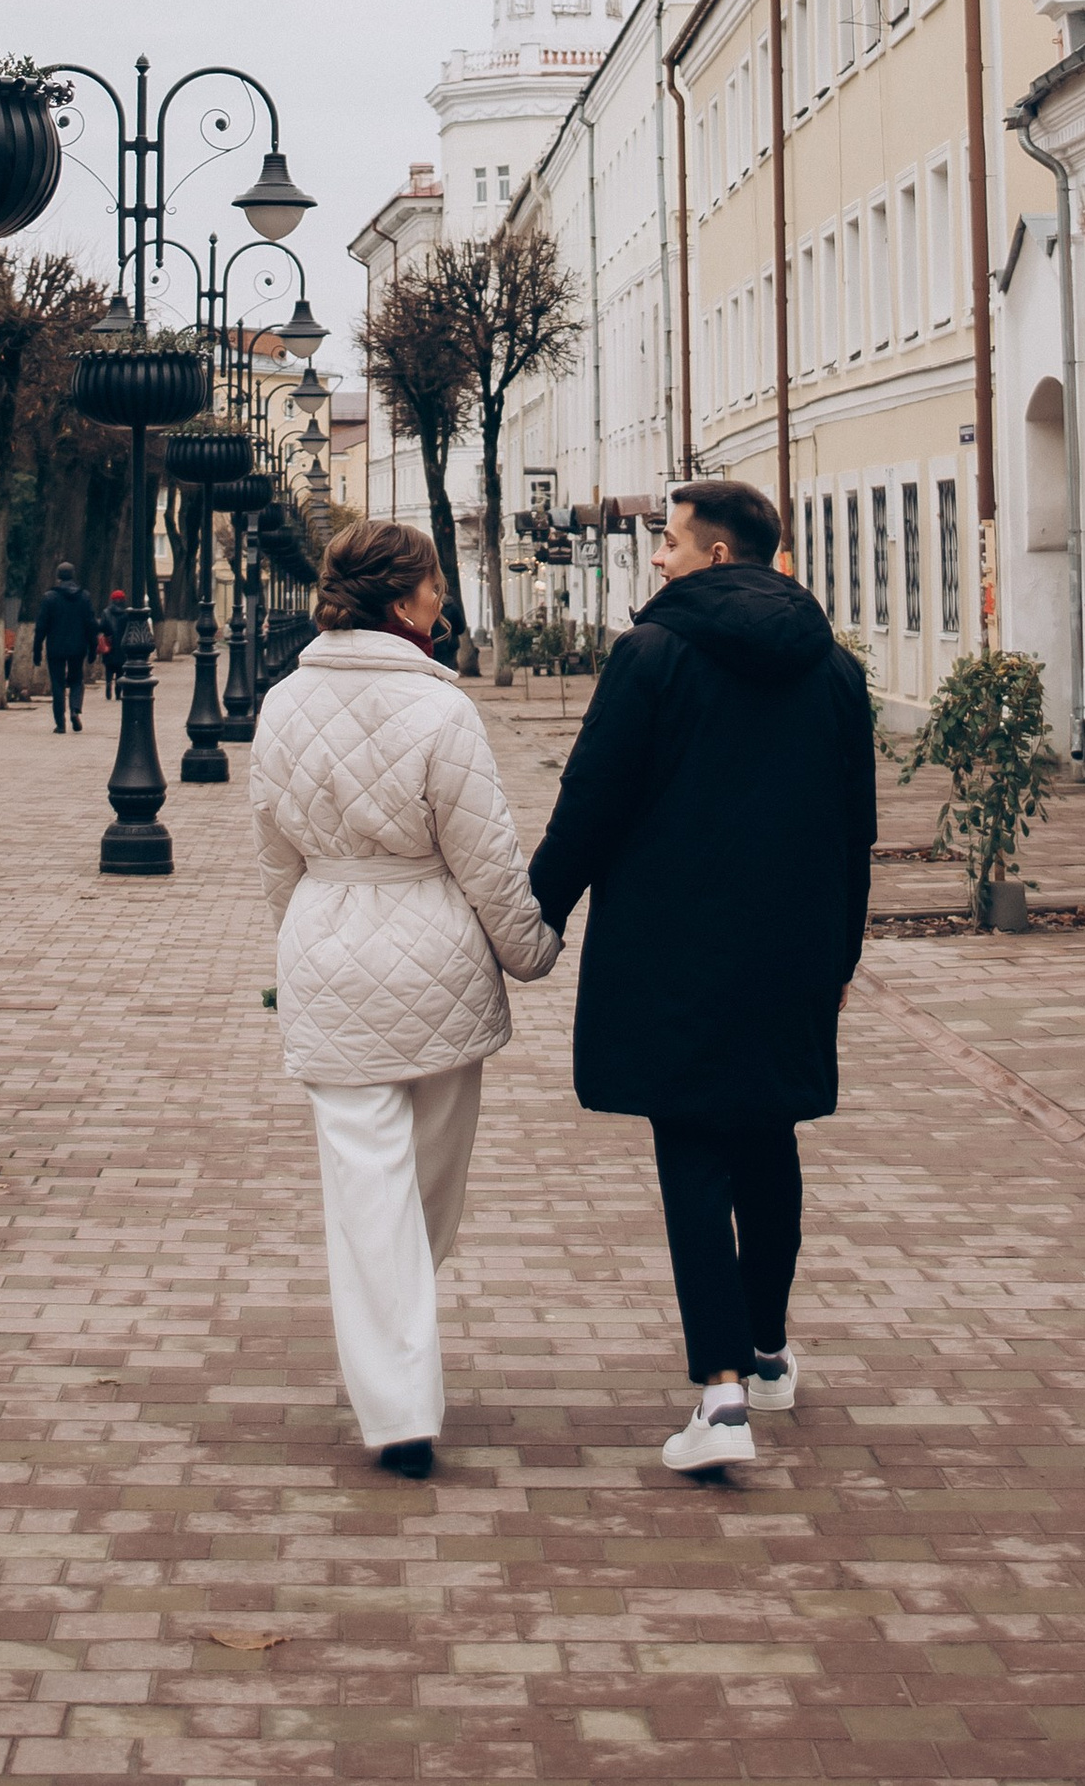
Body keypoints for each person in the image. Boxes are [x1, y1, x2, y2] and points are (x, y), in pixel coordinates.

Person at [529, 477, 875, 1477]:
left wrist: (534, 912)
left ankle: (720, 1395)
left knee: (691, 1142)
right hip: (792, 945)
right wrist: (841, 953)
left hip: (672, 945)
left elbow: (592, 799)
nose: (657, 557)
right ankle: (763, 1351)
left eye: (670, 542)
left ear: (716, 554)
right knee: (767, 1134)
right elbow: (855, 827)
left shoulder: (651, 654)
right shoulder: (834, 669)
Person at [251, 519, 560, 1480]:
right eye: (431, 582)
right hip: (435, 955)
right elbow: (485, 856)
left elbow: (274, 854)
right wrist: (531, 950)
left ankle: (394, 1372)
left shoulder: (281, 702)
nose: (442, 596)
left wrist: (306, 938)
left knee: (369, 1187)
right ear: (399, 599)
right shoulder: (440, 709)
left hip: (329, 940)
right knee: (426, 1185)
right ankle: (400, 1402)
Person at [33, 563, 97, 732]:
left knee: (57, 683)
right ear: (73, 575)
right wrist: (93, 648)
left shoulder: (50, 598)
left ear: (58, 576)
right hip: (78, 647)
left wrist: (37, 650)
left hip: (56, 648)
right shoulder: (84, 597)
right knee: (76, 680)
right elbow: (91, 624)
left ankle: (60, 724)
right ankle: (75, 710)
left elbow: (41, 626)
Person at [98, 589, 129, 696]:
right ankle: (118, 690)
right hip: (122, 645)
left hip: (109, 643)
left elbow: (102, 627)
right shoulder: (126, 613)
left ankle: (108, 683)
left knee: (109, 667)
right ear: (123, 600)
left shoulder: (106, 612)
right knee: (120, 669)